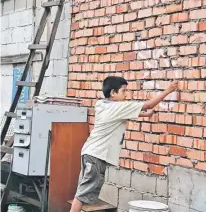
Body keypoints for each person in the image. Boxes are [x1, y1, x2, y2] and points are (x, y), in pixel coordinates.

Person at [70, 76, 178, 212]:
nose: (126, 94)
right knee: (83, 194)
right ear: (113, 93)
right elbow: (148, 105)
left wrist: (145, 115)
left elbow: (123, 114)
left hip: (90, 153)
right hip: (96, 155)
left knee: (84, 191)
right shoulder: (117, 107)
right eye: (123, 91)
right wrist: (168, 90)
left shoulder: (102, 104)